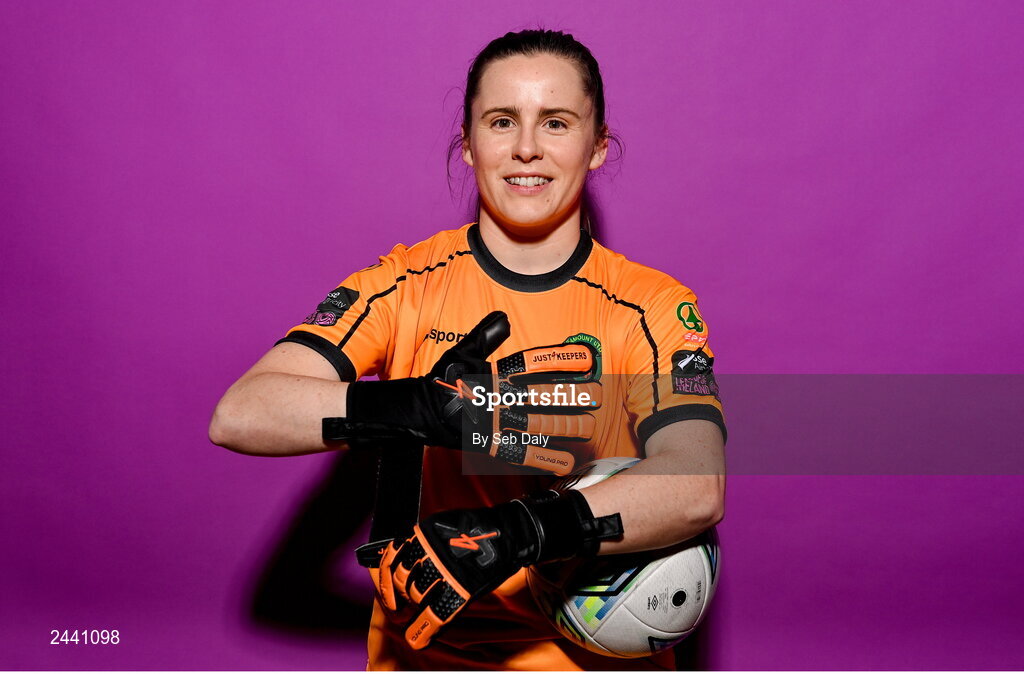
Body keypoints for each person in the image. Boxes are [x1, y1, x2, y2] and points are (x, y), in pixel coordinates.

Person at [210, 29, 726, 671]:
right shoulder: (405, 286)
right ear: (468, 143)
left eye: (557, 122)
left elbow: (697, 483)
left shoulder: (650, 307)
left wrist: (527, 530)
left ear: (597, 147)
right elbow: (241, 413)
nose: (527, 148)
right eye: (502, 120)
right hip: (424, 657)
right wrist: (418, 409)